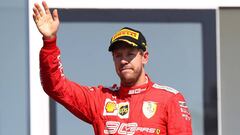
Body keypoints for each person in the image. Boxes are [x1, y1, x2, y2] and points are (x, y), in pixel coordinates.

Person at [33, 1, 192, 135]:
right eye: (118, 55)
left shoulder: (169, 99)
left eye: (130, 54)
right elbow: (55, 85)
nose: (123, 60)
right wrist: (49, 41)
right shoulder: (100, 99)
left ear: (145, 57)